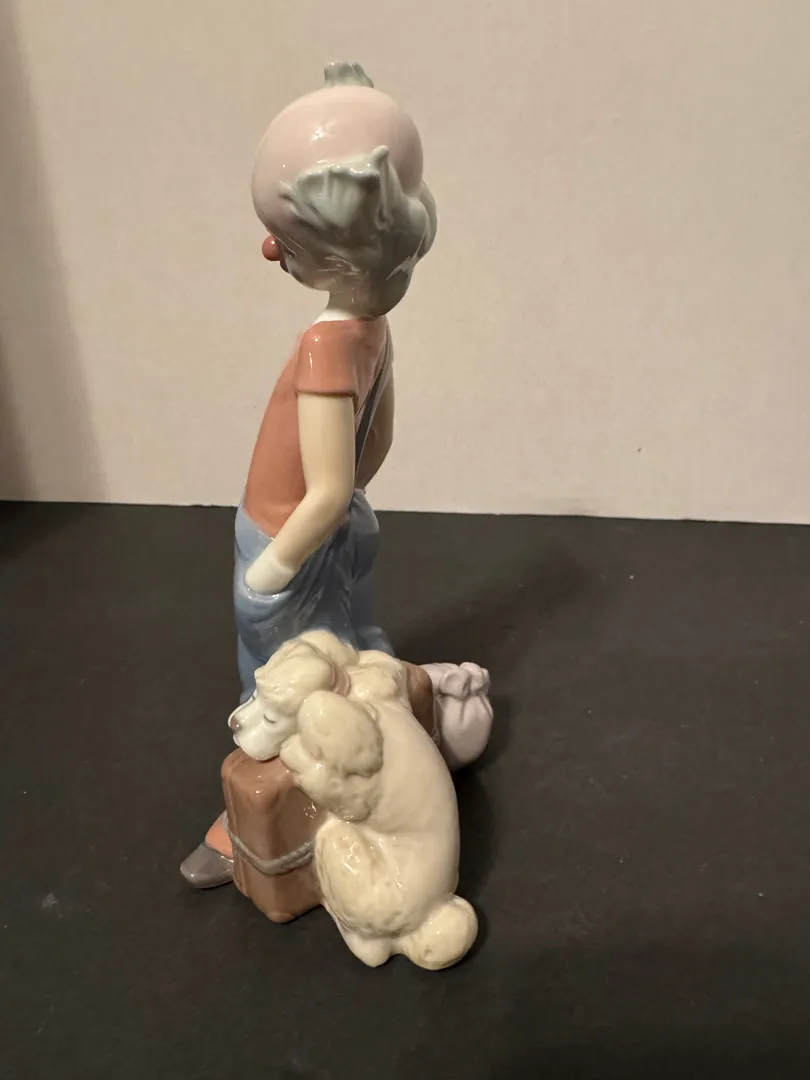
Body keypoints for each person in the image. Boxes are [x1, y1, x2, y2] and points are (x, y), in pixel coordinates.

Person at [181, 62, 437, 887]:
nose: (269, 252)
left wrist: (272, 568)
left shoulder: (326, 344)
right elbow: (374, 446)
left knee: (275, 690)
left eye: (284, 244)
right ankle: (380, 757)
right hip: (336, 526)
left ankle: (255, 823)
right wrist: (347, 509)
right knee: (349, 647)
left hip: (282, 529)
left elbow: (323, 487)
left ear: (336, 253)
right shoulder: (373, 332)